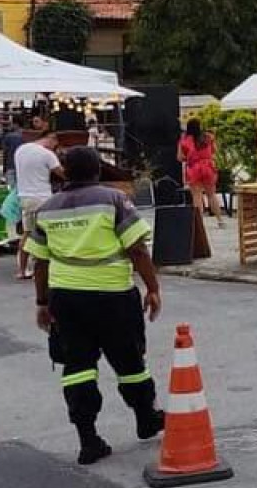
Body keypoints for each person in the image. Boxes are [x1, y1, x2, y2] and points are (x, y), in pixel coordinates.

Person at [29, 146, 165, 465]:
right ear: (98, 171)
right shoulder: (113, 200)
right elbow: (138, 250)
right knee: (130, 360)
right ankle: (146, 417)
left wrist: (42, 302)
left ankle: (88, 439)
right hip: (113, 294)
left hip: (66, 298)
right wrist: (153, 288)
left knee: (77, 367)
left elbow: (39, 263)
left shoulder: (46, 209)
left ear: (64, 173)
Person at [13, 118, 61, 282]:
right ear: (52, 138)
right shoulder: (48, 154)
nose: (55, 148)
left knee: (27, 234)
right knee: (47, 235)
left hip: (25, 197)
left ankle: (21, 269)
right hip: (43, 199)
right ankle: (42, 269)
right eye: (55, 144)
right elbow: (63, 174)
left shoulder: (21, 149)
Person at [178, 118, 221, 224]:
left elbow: (180, 157)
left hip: (193, 168)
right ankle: (220, 220)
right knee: (211, 194)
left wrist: (189, 157)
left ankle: (199, 221)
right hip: (208, 167)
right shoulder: (208, 137)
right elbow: (215, 150)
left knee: (197, 196)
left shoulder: (184, 140)